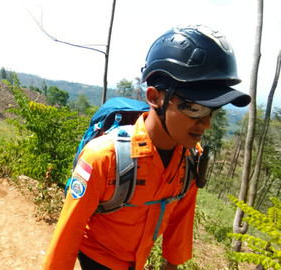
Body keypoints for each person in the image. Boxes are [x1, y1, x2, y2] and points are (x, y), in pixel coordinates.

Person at [42, 25, 251, 270]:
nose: (205, 123)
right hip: (97, 256)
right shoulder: (104, 158)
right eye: (194, 108)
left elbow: (180, 224)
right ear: (154, 97)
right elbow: (69, 232)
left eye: (212, 110)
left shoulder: (191, 159)